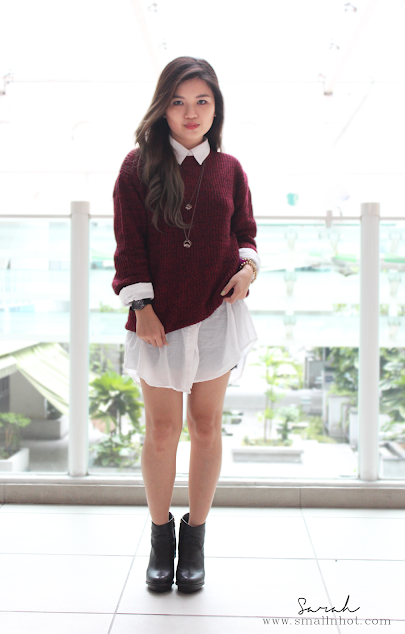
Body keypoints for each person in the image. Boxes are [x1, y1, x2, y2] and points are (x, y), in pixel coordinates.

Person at [112, 56, 260, 593]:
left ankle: (194, 539)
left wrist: (248, 269)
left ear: (216, 108)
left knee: (205, 426)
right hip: (159, 318)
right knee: (160, 431)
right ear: (163, 107)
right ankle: (160, 538)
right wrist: (143, 309)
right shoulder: (137, 167)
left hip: (217, 313)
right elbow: (128, 245)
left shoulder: (230, 168)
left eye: (202, 101)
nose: (190, 112)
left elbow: (245, 232)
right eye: (178, 101)